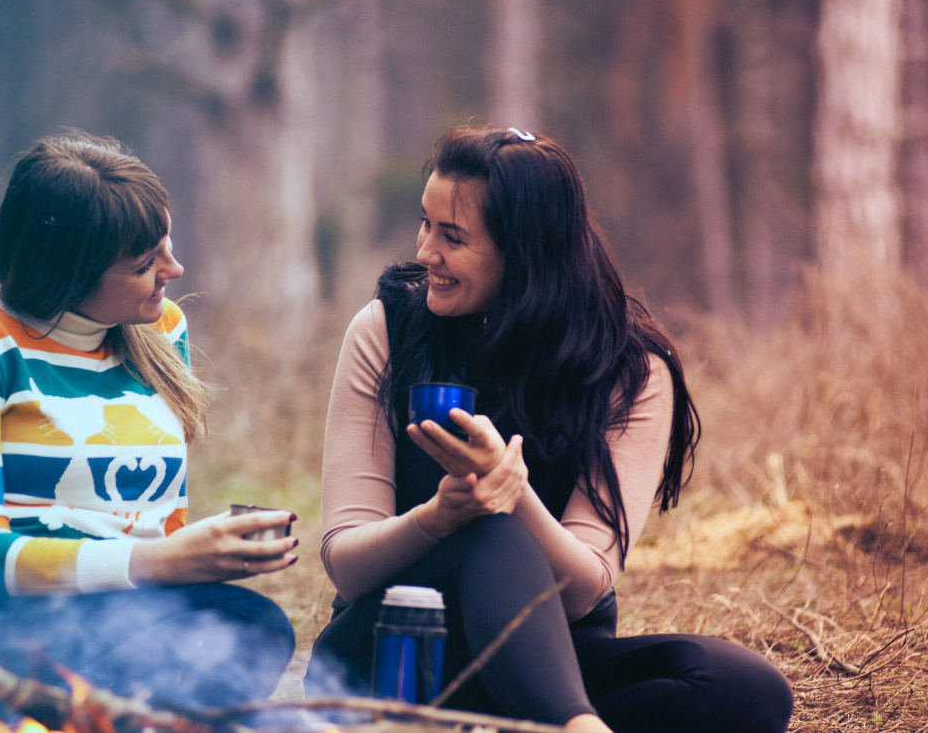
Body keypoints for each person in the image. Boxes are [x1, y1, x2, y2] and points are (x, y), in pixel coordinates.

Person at [306, 125, 792, 733]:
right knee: (486, 530)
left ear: (527, 253)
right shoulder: (385, 331)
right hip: (387, 655)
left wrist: (515, 494)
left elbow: (585, 589)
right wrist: (440, 517)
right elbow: (347, 565)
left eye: (452, 237)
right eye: (426, 224)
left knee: (746, 689)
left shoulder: (631, 370)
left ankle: (546, 719)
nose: (426, 252)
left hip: (546, 663)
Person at [0, 132, 298, 733]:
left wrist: (196, 559)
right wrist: (162, 561)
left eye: (166, 245)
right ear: (69, 273)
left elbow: (158, 521)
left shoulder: (162, 331)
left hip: (94, 628)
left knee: (252, 625)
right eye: (145, 264)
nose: (173, 270)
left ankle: (85, 715)